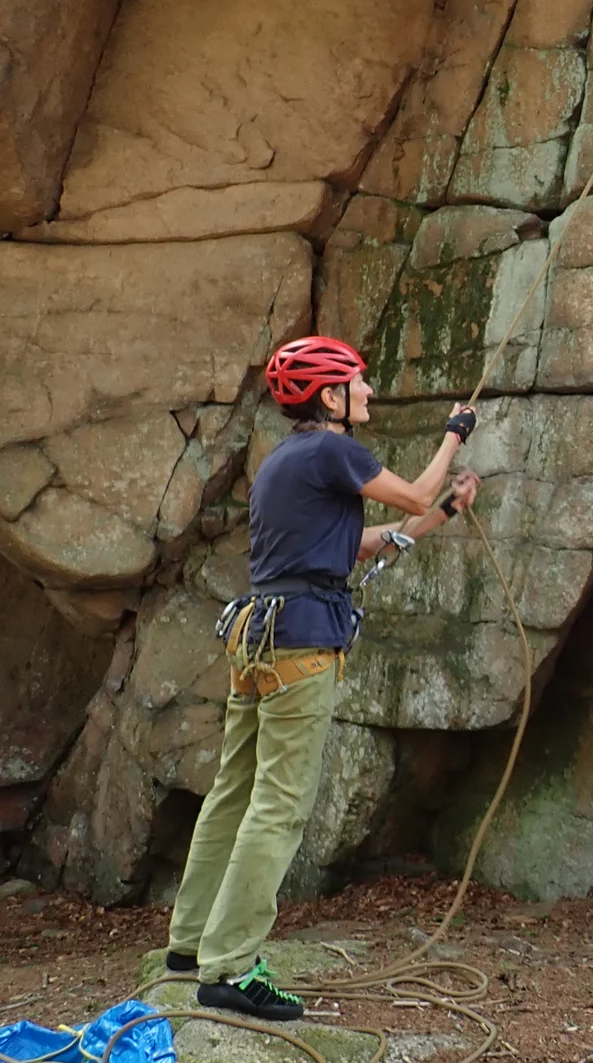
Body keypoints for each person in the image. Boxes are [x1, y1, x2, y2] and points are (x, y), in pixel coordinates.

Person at [164, 336, 481, 1021]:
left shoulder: (287, 461)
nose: (368, 393)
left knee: (234, 790)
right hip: (301, 645)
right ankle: (229, 968)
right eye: (358, 383)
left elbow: (362, 543)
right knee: (278, 805)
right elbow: (416, 487)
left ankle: (190, 944)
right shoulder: (336, 451)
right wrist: (454, 435)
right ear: (330, 397)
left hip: (258, 637)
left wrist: (446, 513)